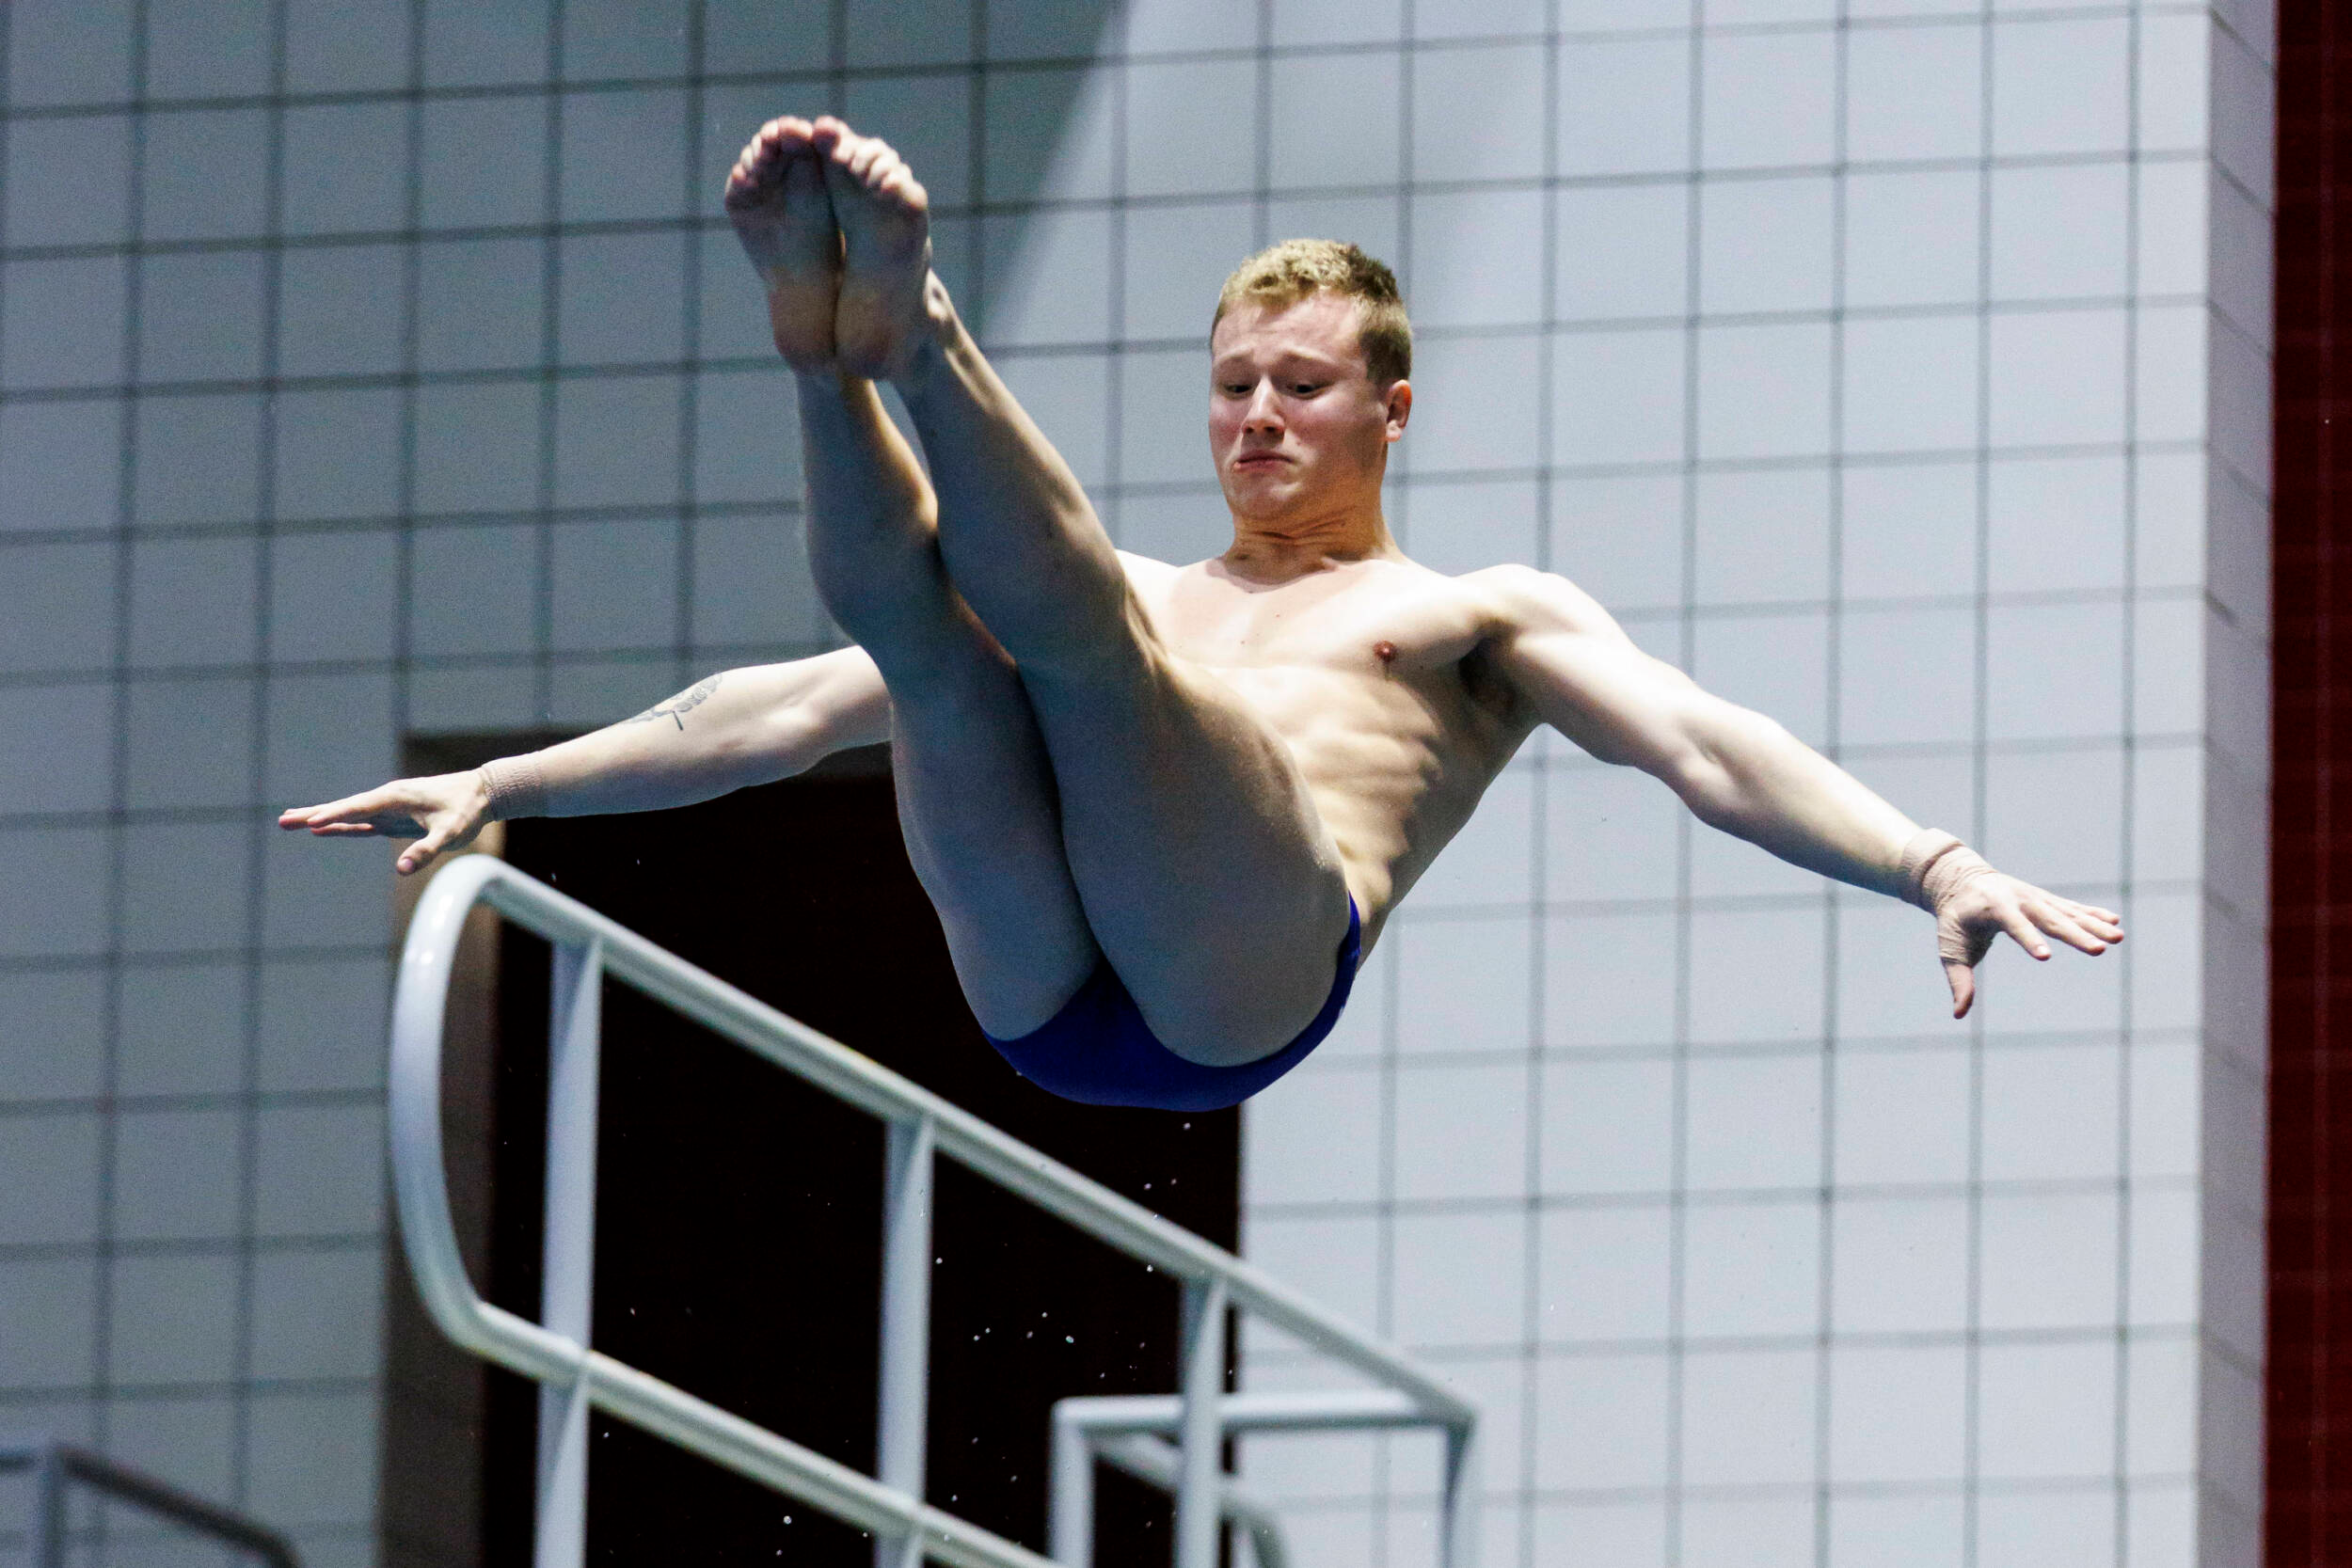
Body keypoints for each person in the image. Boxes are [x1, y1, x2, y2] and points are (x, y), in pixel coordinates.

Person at [281, 115, 2122, 1111]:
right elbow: (768, 710)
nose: (1255, 416)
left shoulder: (1473, 609)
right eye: (1232, 382)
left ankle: (916, 336)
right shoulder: (1156, 583)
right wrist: (510, 780)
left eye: (1301, 385)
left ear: (1390, 407)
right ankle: (823, 362)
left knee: (1087, 649)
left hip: (1242, 977)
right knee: (937, 652)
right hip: (1038, 1007)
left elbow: (1704, 745)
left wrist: (1926, 857)